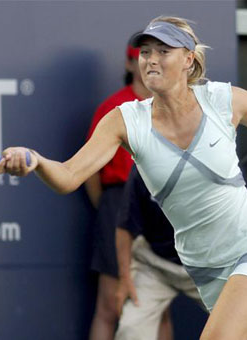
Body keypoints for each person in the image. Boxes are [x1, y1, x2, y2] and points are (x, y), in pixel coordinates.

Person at [0, 15, 247, 340]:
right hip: (208, 269)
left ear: (188, 59)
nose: (150, 59)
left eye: (163, 51)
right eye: (145, 51)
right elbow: (68, 176)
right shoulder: (123, 121)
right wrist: (34, 159)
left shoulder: (226, 100)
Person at [83, 34, 167, 340]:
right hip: (117, 204)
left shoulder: (171, 106)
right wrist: (111, 209)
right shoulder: (113, 108)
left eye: (155, 56)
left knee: (158, 304)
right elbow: (89, 171)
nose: (147, 63)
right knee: (110, 303)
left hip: (162, 207)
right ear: (129, 63)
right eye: (140, 56)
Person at [115, 166, 205, 340]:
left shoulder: (211, 159)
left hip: (206, 265)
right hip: (154, 264)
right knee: (131, 330)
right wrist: (124, 277)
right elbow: (125, 227)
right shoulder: (144, 164)